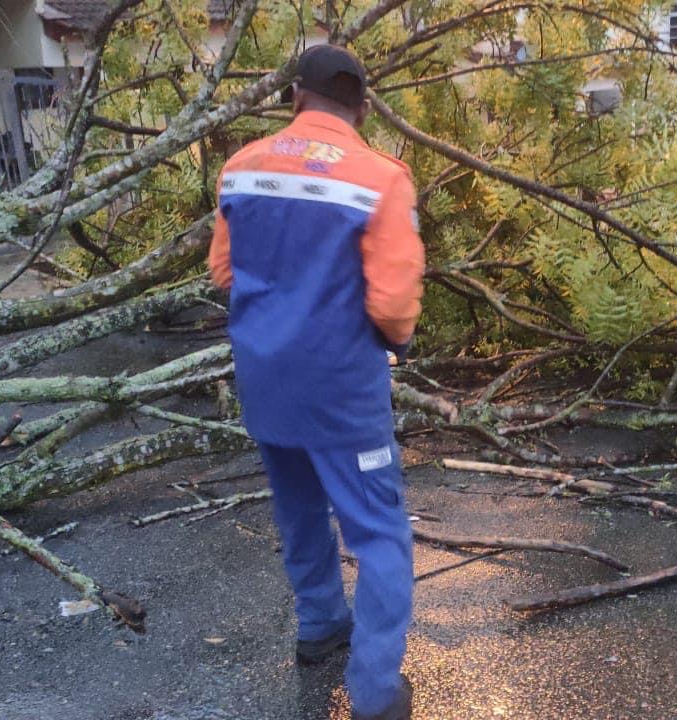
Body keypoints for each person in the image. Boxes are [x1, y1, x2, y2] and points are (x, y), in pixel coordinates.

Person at [208, 44, 424, 720]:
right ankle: (375, 693)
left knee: (299, 510)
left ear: (295, 96)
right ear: (361, 107)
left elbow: (223, 274)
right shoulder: (380, 178)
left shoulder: (242, 169)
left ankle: (320, 626)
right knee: (379, 532)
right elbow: (392, 305)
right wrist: (396, 343)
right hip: (340, 389)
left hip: (265, 380)